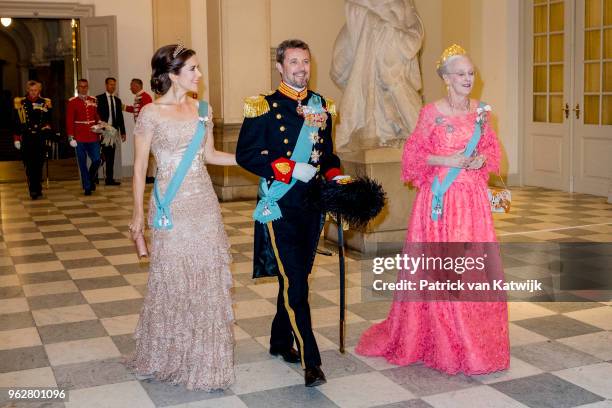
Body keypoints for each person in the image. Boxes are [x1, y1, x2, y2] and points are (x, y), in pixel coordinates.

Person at [355, 44, 510, 375]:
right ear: (447, 79)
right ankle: (441, 338)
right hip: (439, 201)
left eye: (471, 73)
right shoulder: (430, 113)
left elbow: (492, 154)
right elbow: (413, 157)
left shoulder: (482, 111)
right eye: (461, 74)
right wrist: (447, 160)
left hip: (472, 203)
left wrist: (481, 159)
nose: (468, 78)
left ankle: (473, 340)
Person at [236, 39, 346, 387]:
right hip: (280, 204)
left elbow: (327, 155)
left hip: (312, 207)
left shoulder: (322, 107)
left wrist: (336, 176)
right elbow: (246, 155)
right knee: (296, 282)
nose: (301, 68)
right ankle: (311, 361)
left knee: (294, 279)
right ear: (280, 67)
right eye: (294, 62)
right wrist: (286, 168)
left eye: (306, 62)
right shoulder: (262, 107)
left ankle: (279, 340)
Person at [128, 44, 237, 391]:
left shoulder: (204, 110)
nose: (199, 76)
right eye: (192, 69)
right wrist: (136, 216)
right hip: (170, 208)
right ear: (172, 74)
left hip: (204, 204)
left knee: (206, 280)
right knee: (173, 280)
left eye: (198, 69)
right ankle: (167, 355)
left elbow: (212, 154)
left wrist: (255, 160)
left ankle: (205, 359)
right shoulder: (150, 114)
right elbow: (140, 167)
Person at [12, 80, 53, 199]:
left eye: (35, 90)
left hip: (40, 137)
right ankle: (33, 190)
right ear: (27, 90)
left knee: (39, 164)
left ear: (39, 90)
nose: (33, 92)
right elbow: (16, 121)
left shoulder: (45, 102)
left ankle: (38, 187)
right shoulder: (21, 103)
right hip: (27, 137)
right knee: (29, 165)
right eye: (31, 90)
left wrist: (48, 130)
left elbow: (48, 119)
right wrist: (16, 138)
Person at [66, 79, 101, 196]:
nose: (83, 89)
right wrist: (71, 137)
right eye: (81, 87)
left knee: (97, 159)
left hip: (92, 134)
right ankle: (87, 186)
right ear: (77, 88)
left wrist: (100, 125)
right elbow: (69, 120)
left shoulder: (93, 100)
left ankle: (90, 179)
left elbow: (96, 116)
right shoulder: (72, 102)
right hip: (79, 136)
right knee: (82, 162)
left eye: (85, 86)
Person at [123, 78, 155, 183]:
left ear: (137, 86)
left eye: (131, 85)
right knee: (142, 152)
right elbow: (136, 110)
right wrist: (124, 107)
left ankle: (149, 176)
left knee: (146, 153)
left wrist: (144, 129)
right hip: (141, 129)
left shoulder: (145, 97)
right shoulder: (139, 97)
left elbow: (147, 113)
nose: (130, 88)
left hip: (145, 129)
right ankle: (145, 175)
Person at [96, 77, 126, 186]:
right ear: (106, 85)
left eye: (114, 85)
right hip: (102, 131)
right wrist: (99, 128)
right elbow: (96, 115)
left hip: (113, 132)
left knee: (111, 156)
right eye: (110, 84)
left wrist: (122, 131)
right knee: (99, 155)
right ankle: (95, 177)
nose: (112, 86)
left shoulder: (117, 100)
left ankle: (109, 179)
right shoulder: (99, 98)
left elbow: (120, 117)